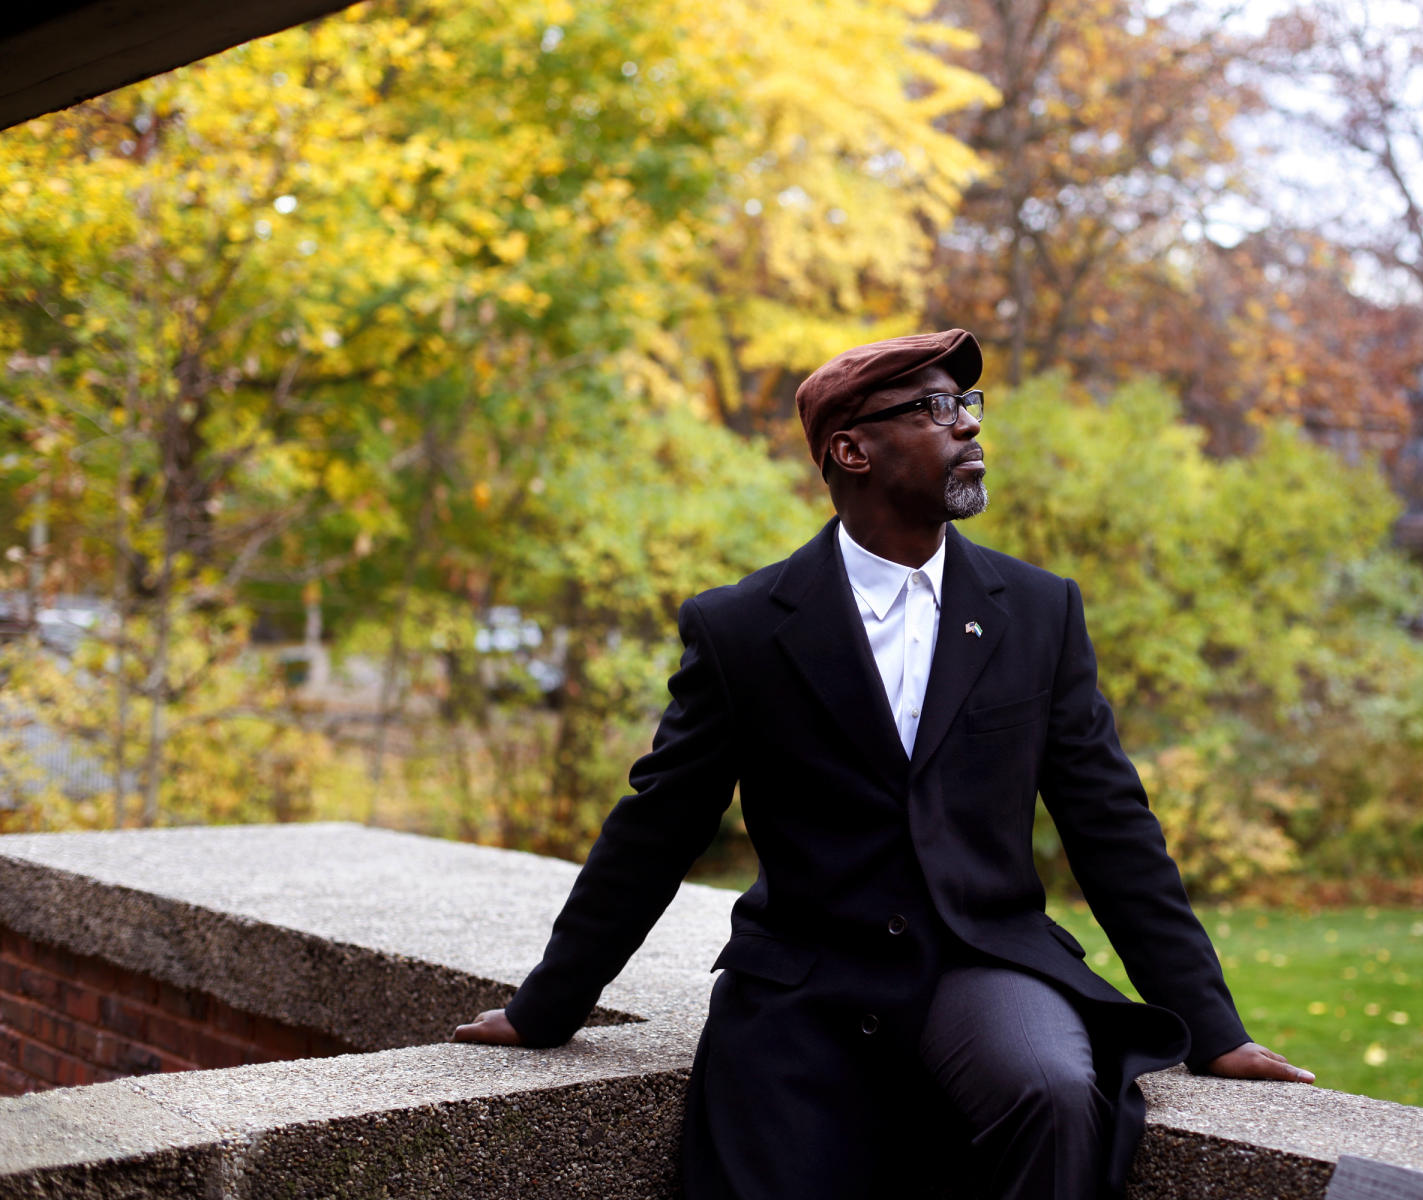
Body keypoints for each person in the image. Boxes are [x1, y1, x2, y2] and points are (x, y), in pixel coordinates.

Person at [454, 329, 1313, 1200]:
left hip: (984, 961)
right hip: (807, 981)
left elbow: (1112, 825)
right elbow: (658, 825)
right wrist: (546, 1008)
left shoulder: (1040, 611)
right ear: (851, 450)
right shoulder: (742, 629)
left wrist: (1212, 1027)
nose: (968, 428)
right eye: (935, 408)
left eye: (966, 406)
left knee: (1054, 1091)